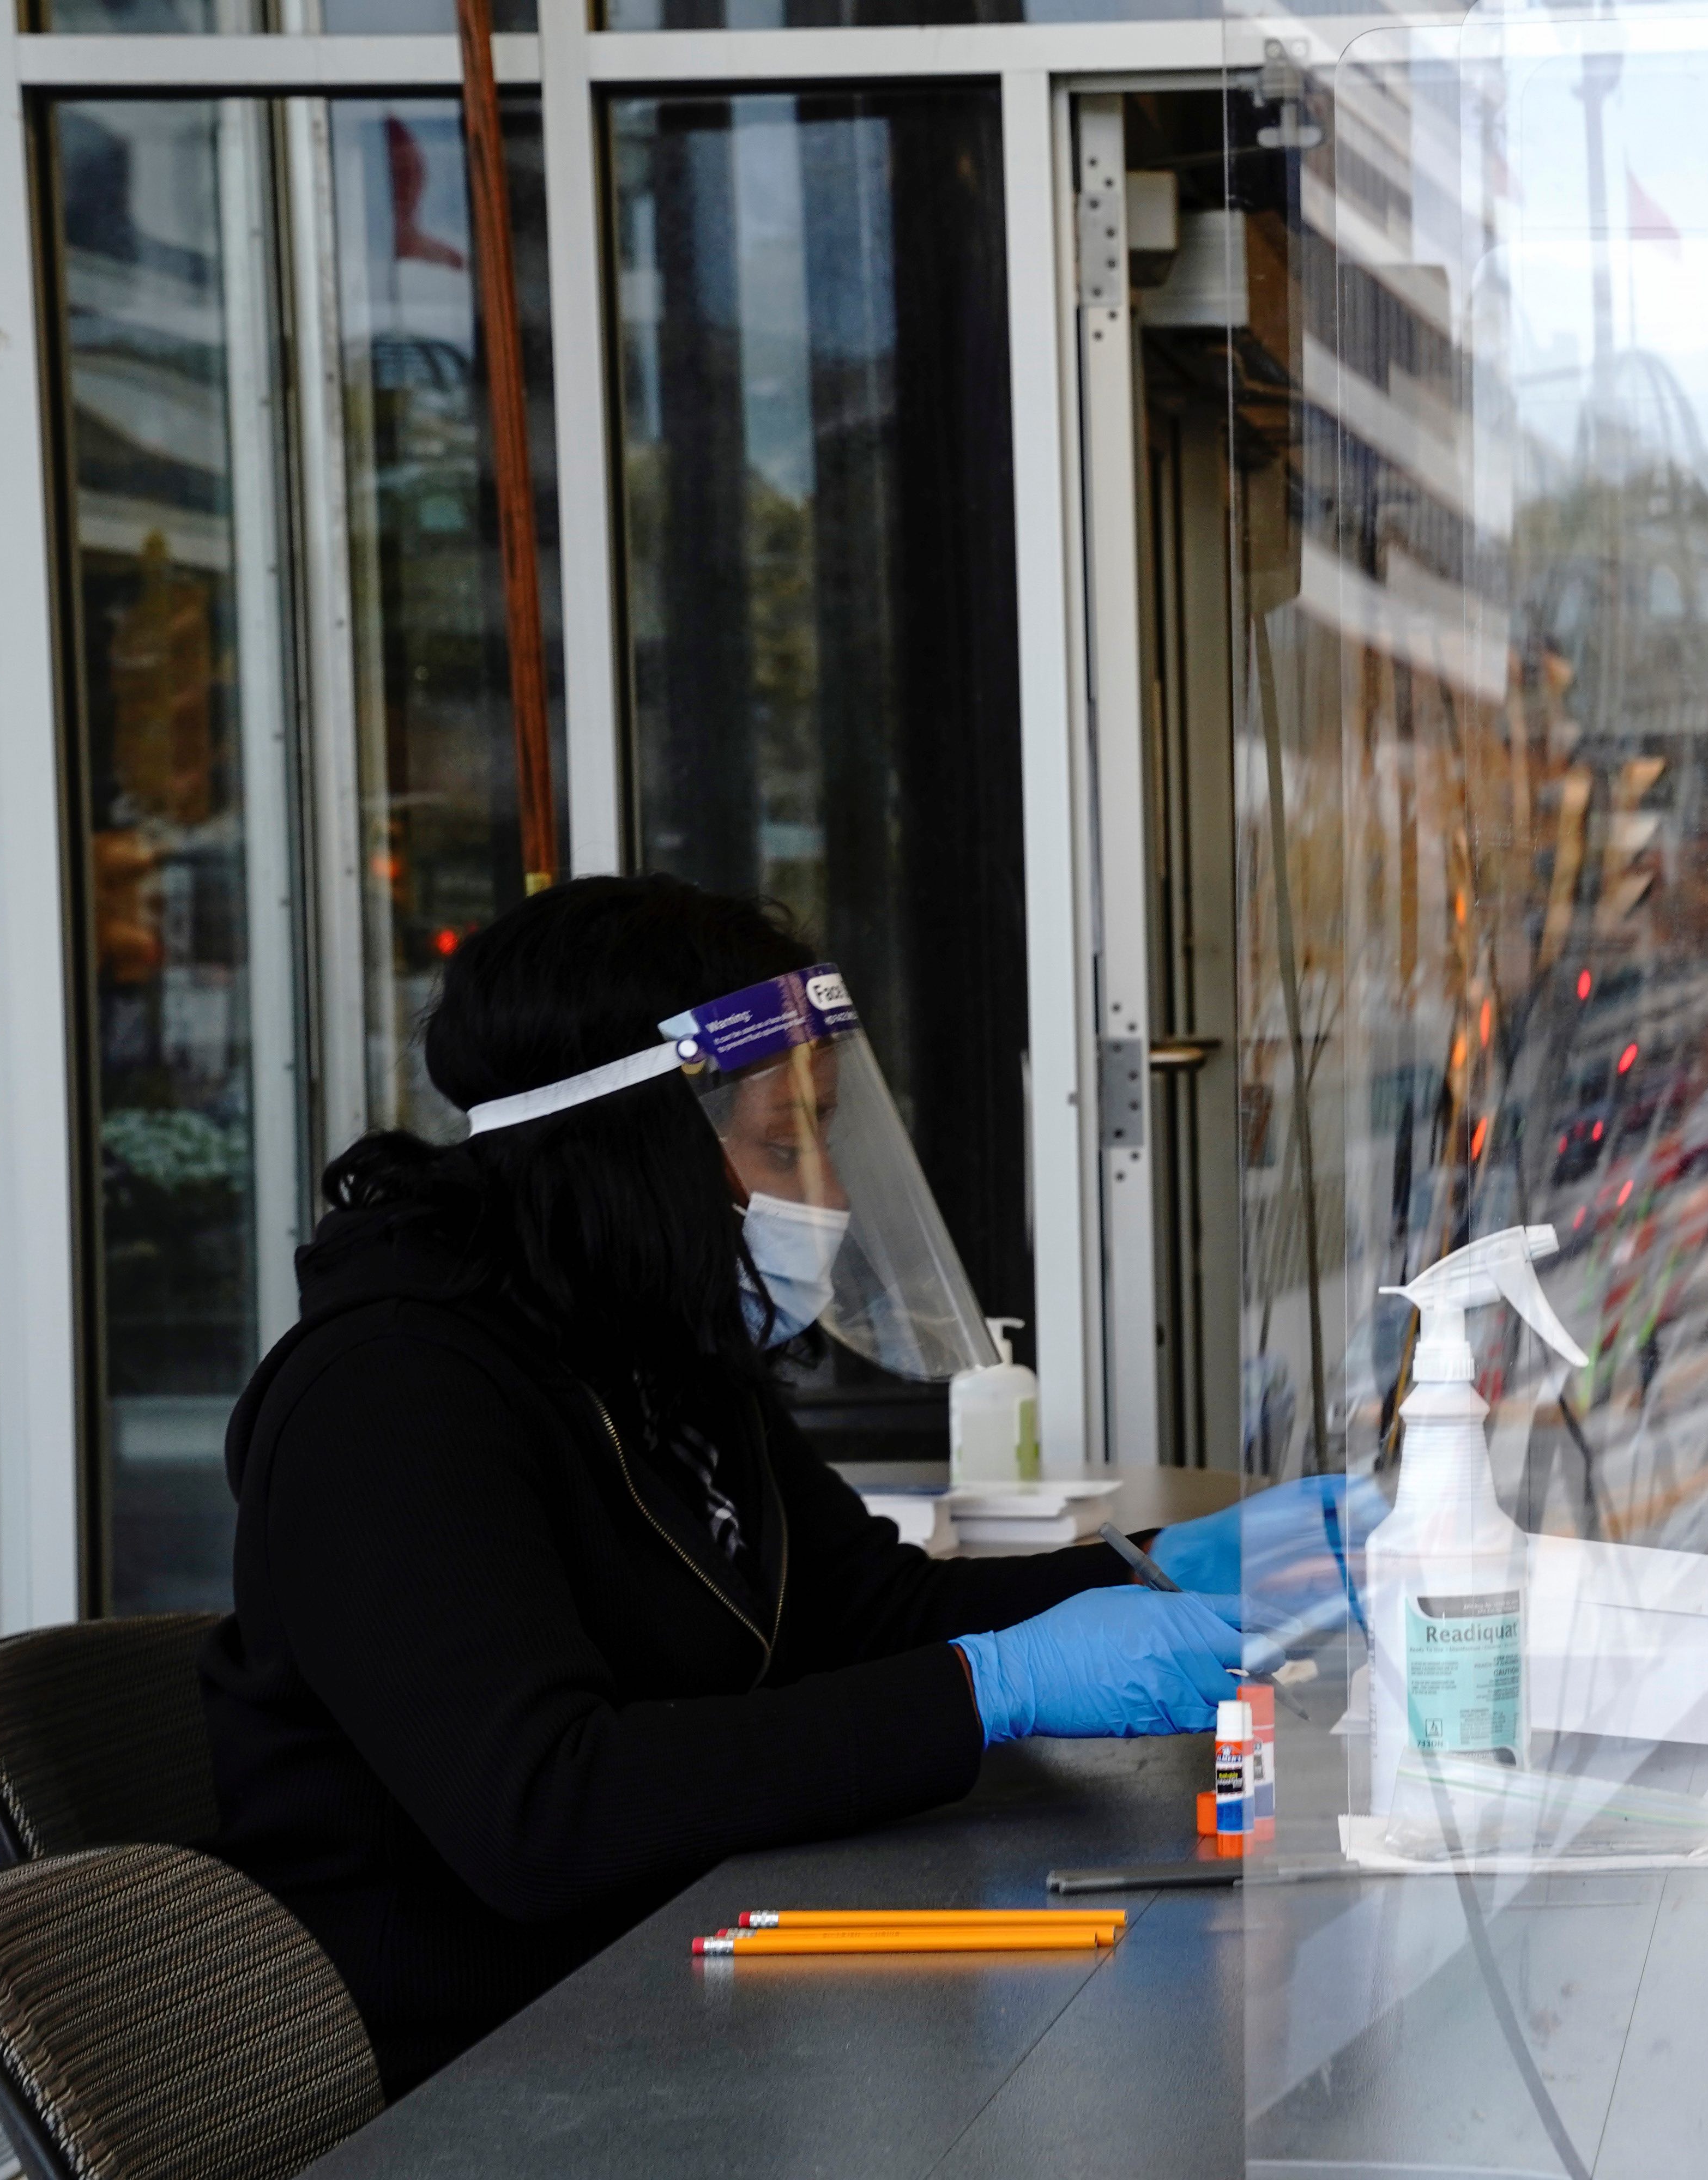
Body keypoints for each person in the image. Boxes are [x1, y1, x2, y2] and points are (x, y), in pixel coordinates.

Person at [206, 876, 1267, 2095]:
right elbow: (548, 1812)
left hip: (681, 1991)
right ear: (636, 1143)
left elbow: (861, 1612)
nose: (831, 1194)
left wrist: (1159, 1567)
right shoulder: (388, 1398)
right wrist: (992, 1686)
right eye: (782, 1141)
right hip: (477, 2075)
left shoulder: (651, 1348)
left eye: (826, 1133)